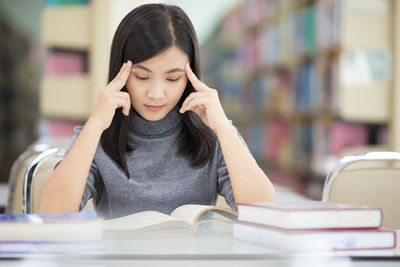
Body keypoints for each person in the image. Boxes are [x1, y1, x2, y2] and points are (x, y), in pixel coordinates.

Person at [39, 3, 275, 218]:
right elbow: (51, 213)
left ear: (190, 77)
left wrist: (223, 128)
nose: (156, 93)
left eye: (173, 78)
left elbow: (264, 212)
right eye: (142, 76)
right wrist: (93, 127)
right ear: (120, 72)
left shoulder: (214, 134)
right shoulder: (99, 135)